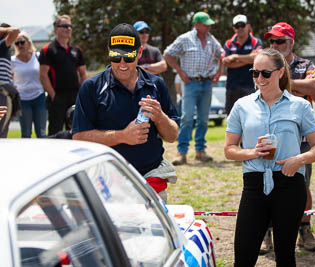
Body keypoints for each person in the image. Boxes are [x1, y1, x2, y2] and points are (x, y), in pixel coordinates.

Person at [225, 48, 315, 267]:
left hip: (290, 182)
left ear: (280, 73)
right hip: (254, 183)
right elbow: (229, 149)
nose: (259, 78)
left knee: (285, 256)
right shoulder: (242, 106)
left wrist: (299, 159)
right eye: (254, 73)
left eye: (265, 73)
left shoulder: (299, 106)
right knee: (243, 255)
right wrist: (252, 152)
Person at [72, 23, 179, 203]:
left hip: (151, 177)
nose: (122, 63)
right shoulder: (92, 87)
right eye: (116, 56)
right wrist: (122, 136)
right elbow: (79, 137)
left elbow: (172, 136)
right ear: (109, 52)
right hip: (107, 179)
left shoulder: (155, 85)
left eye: (128, 57)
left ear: (139, 53)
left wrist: (160, 117)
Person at [263, 21, 315, 252]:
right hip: (270, 135)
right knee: (266, 184)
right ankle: (266, 231)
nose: (275, 45)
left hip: (301, 138)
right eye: (272, 41)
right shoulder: (265, 64)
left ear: (291, 42)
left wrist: (285, 84)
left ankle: (304, 229)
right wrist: (298, 88)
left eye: (280, 41)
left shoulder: (304, 64)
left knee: (302, 185)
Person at [164, 11, 223, 165]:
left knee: (203, 119)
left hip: (207, 83)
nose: (208, 27)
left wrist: (218, 72)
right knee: (187, 118)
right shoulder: (185, 39)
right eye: (205, 24)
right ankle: (181, 152)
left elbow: (222, 55)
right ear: (196, 25)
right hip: (189, 83)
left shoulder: (212, 40)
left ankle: (200, 151)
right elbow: (168, 54)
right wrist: (180, 71)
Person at [39, 15, 87, 136]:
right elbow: (43, 75)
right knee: (55, 133)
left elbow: (83, 74)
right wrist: (53, 96)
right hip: (57, 97)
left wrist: (81, 94)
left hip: (74, 97)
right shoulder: (48, 50)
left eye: (70, 26)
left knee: (76, 132)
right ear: (56, 28)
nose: (68, 28)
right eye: (65, 26)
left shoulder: (77, 50)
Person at [222, 14, 263, 115]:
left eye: (242, 25)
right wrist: (248, 59)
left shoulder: (256, 41)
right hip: (232, 87)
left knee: (251, 117)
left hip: (250, 86)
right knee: (232, 118)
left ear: (248, 26)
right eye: (237, 26)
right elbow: (226, 62)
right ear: (233, 28)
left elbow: (257, 58)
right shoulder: (228, 43)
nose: (240, 28)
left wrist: (235, 57)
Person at [11, 32, 47, 138]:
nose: (20, 45)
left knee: (41, 132)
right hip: (23, 99)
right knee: (26, 133)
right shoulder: (12, 61)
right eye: (17, 43)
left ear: (28, 42)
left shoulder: (38, 57)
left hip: (39, 97)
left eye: (22, 42)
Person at [0, 23, 20, 138]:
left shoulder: (4, 48)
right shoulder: (2, 45)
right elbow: (15, 31)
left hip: (6, 93)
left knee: (3, 131)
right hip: (1, 93)